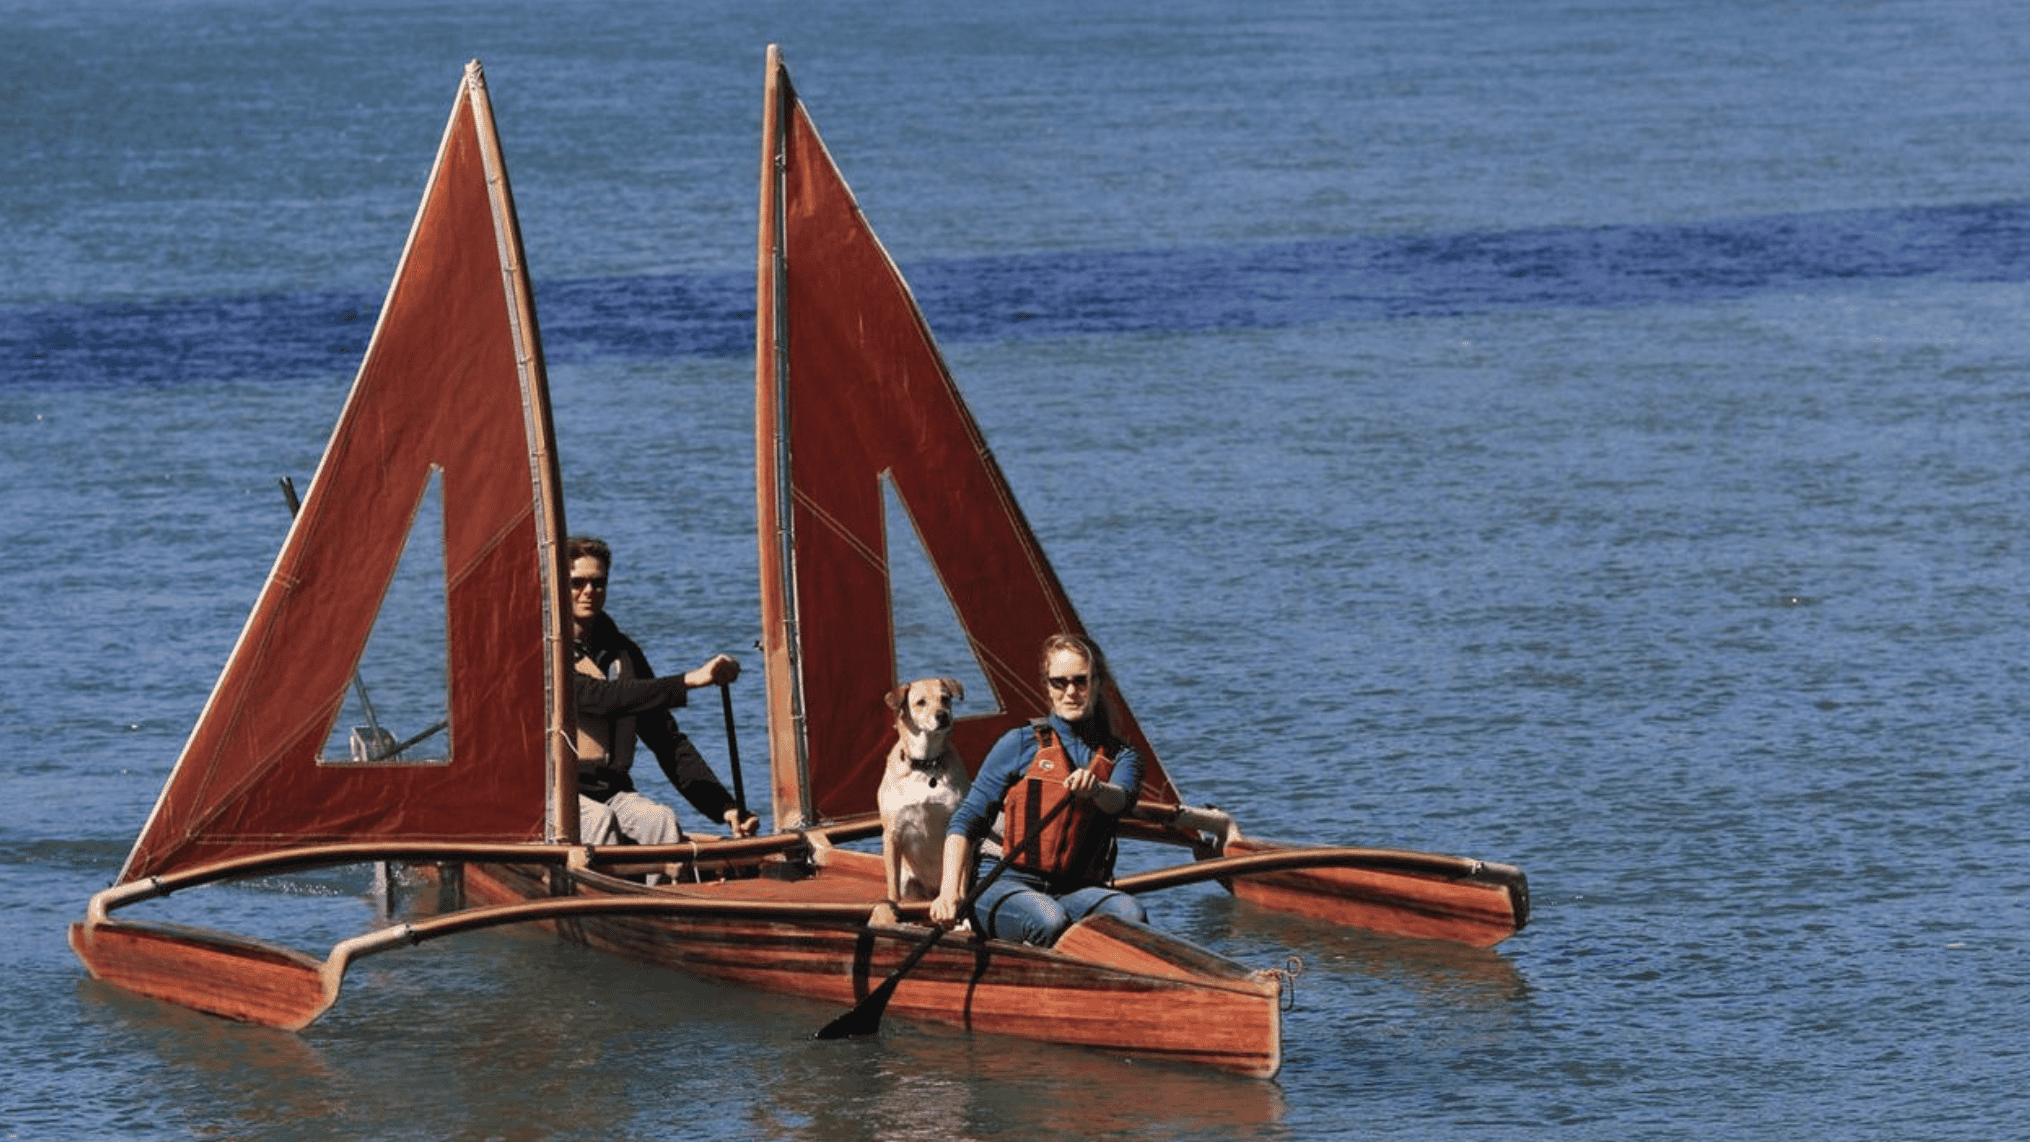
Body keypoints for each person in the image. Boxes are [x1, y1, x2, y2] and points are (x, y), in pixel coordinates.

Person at [929, 633, 1148, 945]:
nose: (1071, 691)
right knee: (1048, 920)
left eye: (1081, 681)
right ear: (1047, 687)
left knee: (1130, 914)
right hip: (1002, 884)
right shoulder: (1018, 743)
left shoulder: (1123, 756)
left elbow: (1120, 800)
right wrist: (948, 893)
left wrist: (1098, 789)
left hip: (1076, 889)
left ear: (1098, 684)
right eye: (1059, 682)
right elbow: (965, 822)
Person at [566, 536, 759, 852]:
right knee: (601, 822)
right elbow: (599, 697)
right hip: (559, 799)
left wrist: (725, 807)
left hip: (612, 791)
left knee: (661, 820)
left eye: (598, 583)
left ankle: (665, 899)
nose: (589, 591)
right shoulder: (544, 652)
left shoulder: (624, 653)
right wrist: (689, 680)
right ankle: (617, 899)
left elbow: (667, 742)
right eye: (578, 582)